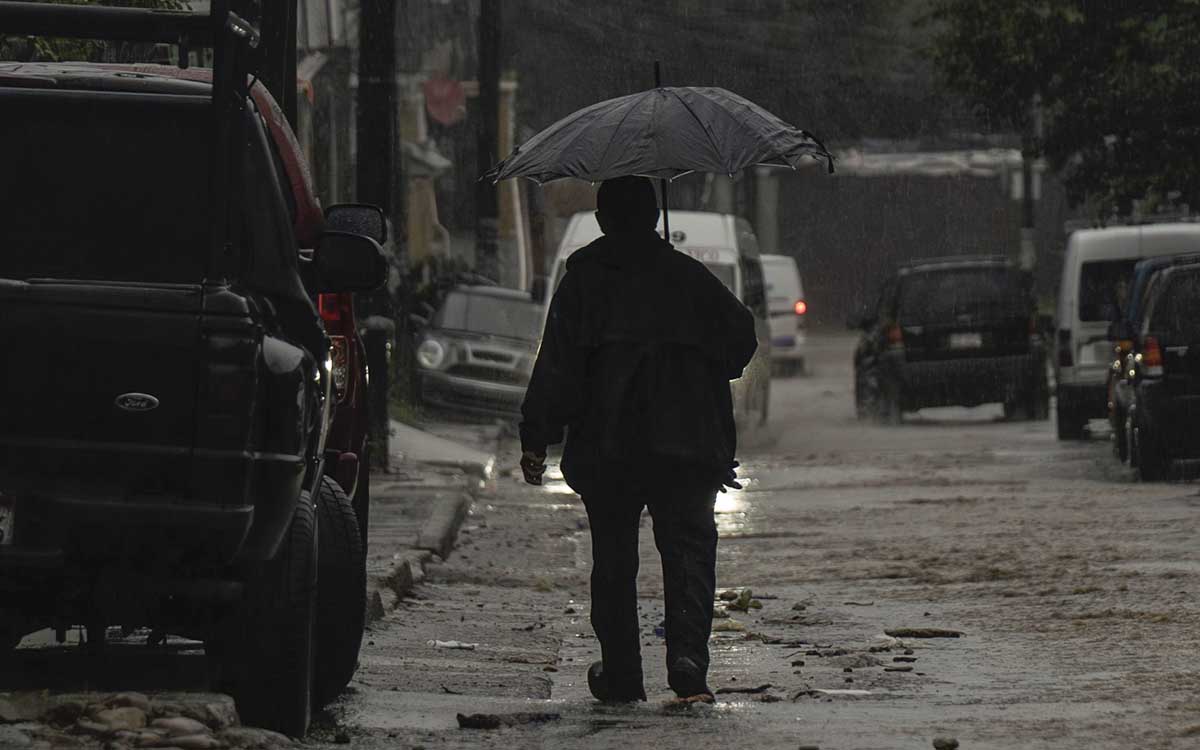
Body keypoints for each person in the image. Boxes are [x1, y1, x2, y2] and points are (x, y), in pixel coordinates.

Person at [519, 175, 758, 702]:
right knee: (689, 551)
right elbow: (742, 337)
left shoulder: (583, 282)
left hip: (609, 447)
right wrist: (702, 365)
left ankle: (623, 673)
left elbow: (556, 364)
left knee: (613, 559)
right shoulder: (689, 278)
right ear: (654, 218)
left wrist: (536, 436)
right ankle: (688, 660)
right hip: (686, 444)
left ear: (603, 221)